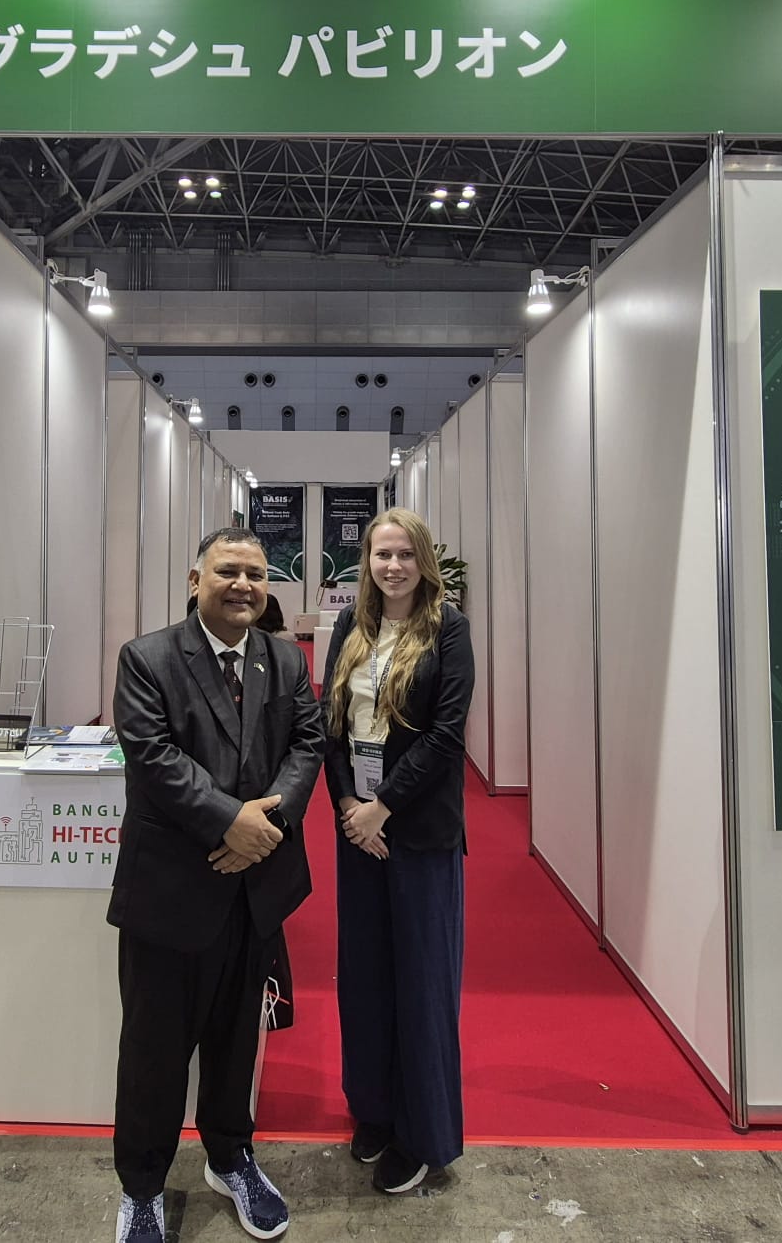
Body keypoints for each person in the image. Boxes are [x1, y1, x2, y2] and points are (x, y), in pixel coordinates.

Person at [110, 526, 325, 1243]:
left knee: (237, 1044)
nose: (243, 585)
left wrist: (268, 825)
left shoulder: (283, 659)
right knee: (154, 1051)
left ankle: (231, 1158)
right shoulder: (147, 659)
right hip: (172, 889)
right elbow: (153, 756)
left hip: (254, 889)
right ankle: (143, 1188)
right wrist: (230, 822)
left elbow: (307, 743)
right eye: (228, 571)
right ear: (194, 580)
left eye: (256, 574)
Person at [321, 507, 475, 1196]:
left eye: (405, 554)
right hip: (358, 831)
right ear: (368, 563)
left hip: (416, 831)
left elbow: (446, 735)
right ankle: (375, 1110)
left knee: (421, 983)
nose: (393, 566)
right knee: (364, 977)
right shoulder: (350, 628)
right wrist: (348, 808)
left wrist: (382, 805)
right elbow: (328, 726)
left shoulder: (449, 629)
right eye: (382, 555)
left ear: (423, 561)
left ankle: (422, 1134)